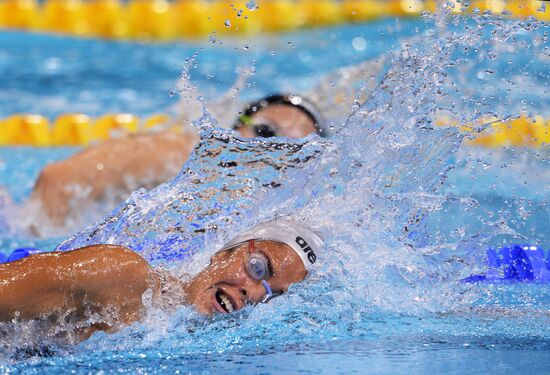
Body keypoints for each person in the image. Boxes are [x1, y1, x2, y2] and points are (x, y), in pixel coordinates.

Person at [17, 94, 326, 235]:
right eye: (265, 132)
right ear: (235, 126)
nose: (266, 150)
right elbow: (57, 179)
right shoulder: (179, 153)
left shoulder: (280, 213)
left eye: (291, 150)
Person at [0, 219, 323, 343]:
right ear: (223, 253)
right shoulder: (119, 276)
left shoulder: (182, 336)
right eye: (257, 267)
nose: (252, 291)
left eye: (272, 295)